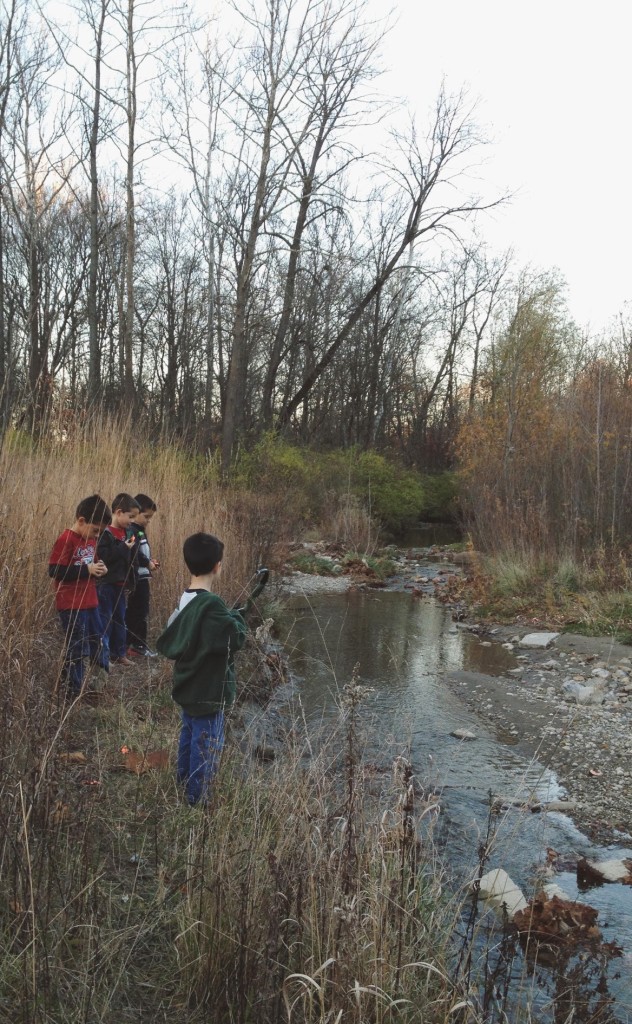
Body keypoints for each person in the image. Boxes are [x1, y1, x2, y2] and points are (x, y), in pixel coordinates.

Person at [156, 533, 247, 806]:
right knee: (206, 744)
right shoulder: (211, 604)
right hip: (208, 688)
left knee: (189, 735)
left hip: (187, 684)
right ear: (218, 565)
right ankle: (198, 800)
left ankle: (183, 782)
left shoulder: (185, 601)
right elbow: (234, 639)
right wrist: (238, 617)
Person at [48, 494, 111, 697]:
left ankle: (97, 686)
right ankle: (72, 692)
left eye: (99, 533)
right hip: (71, 605)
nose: (95, 537)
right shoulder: (66, 540)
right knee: (77, 648)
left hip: (90, 601)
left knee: (97, 641)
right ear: (81, 520)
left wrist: (100, 569)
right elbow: (55, 570)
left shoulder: (90, 541)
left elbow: (93, 563)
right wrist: (87, 570)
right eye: (95, 531)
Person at [96, 493, 139, 667]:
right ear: (119, 512)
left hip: (121, 584)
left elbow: (131, 559)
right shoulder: (105, 533)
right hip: (106, 584)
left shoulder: (129, 532)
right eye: (131, 517)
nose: (132, 521)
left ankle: (119, 653)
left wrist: (132, 580)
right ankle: (104, 655)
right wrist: (122, 547)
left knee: (121, 618)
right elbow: (104, 557)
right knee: (105, 619)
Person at [126, 494, 159, 657]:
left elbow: (142, 552)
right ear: (136, 513)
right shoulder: (132, 530)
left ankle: (131, 644)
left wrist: (150, 561)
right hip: (137, 579)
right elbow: (134, 552)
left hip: (143, 576)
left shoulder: (140, 531)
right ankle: (137, 645)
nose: (148, 521)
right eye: (146, 517)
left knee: (138, 611)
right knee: (139, 611)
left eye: (150, 518)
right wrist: (147, 563)